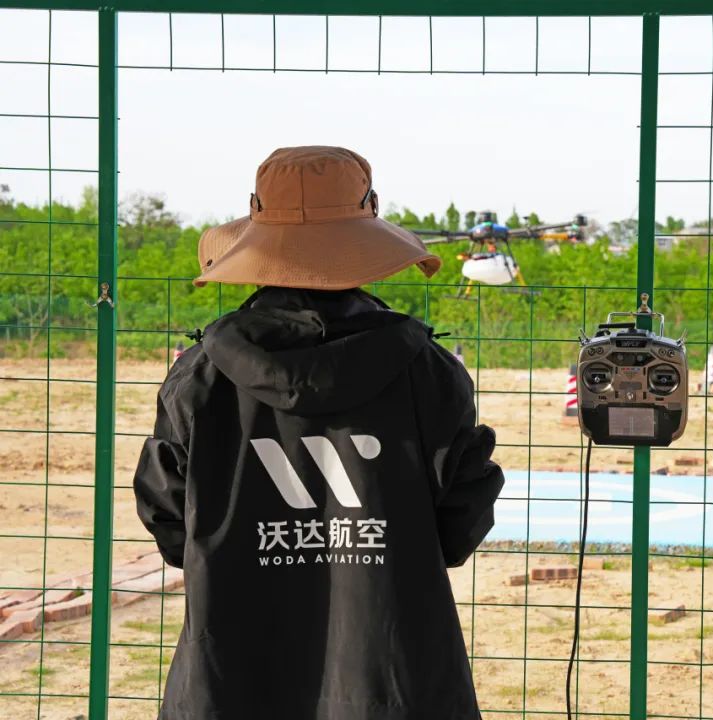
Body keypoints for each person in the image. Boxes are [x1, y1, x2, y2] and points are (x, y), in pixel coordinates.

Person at [133, 146, 505, 720]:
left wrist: (245, 548)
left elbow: (168, 519)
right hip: (392, 682)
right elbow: (461, 524)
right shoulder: (428, 371)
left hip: (232, 679)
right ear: (367, 225)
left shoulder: (200, 375)